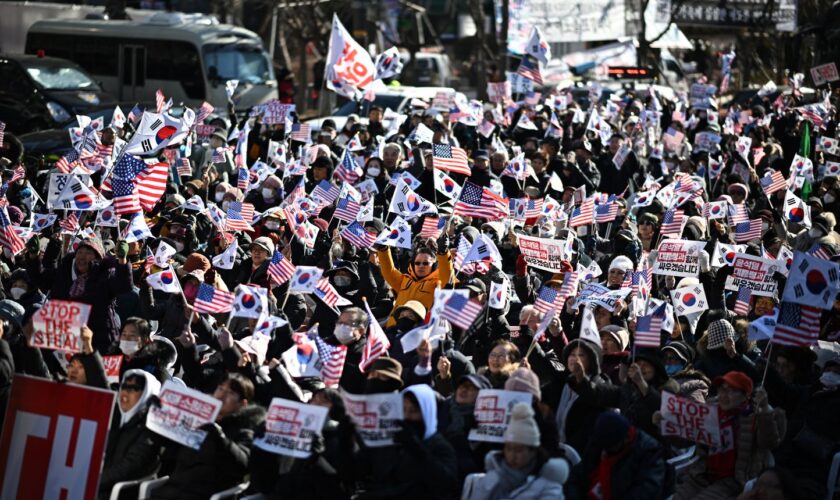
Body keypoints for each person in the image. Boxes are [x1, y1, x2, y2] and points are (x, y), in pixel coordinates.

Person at [151, 374, 266, 500]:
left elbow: (242, 464)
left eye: (230, 393)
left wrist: (219, 437)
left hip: (206, 493)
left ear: (243, 404)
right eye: (220, 389)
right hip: (175, 488)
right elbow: (168, 449)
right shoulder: (196, 419)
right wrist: (158, 417)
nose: (221, 396)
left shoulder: (244, 429)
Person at [674, 371, 786, 500]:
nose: (723, 395)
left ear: (745, 396)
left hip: (732, 481)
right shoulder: (709, 410)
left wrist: (765, 410)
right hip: (701, 474)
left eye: (731, 391)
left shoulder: (754, 417)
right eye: (721, 390)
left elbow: (769, 443)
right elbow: (684, 441)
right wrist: (663, 424)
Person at [462, 402, 568, 499]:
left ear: (533, 451)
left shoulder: (548, 486)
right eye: (508, 448)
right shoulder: (491, 479)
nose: (512, 455)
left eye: (519, 450)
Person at [567, 411, 669, 499]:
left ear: (624, 440)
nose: (604, 452)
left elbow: (645, 493)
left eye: (609, 448)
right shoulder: (600, 440)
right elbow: (578, 474)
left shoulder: (650, 453)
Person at [99, 369, 163, 498]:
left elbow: (128, 468)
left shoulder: (152, 429)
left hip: (121, 492)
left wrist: (93, 480)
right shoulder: (115, 416)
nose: (125, 392)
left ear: (147, 394)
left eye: (134, 388)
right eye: (124, 386)